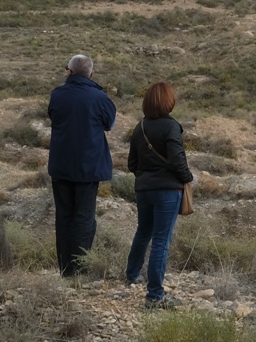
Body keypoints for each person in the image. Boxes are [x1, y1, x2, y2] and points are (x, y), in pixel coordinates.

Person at [124, 81, 194, 309]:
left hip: (144, 189)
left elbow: (132, 163)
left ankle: (132, 275)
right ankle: (154, 295)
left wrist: (146, 176)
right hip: (167, 190)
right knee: (161, 240)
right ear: (168, 102)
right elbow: (177, 160)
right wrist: (187, 177)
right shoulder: (171, 127)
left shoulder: (140, 127)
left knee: (143, 232)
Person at [48, 54, 116, 277]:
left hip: (61, 166)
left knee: (64, 217)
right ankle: (81, 269)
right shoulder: (100, 98)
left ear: (69, 71)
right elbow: (110, 124)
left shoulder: (57, 95)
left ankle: (66, 271)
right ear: (91, 74)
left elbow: (53, 116)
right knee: (84, 218)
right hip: (88, 168)